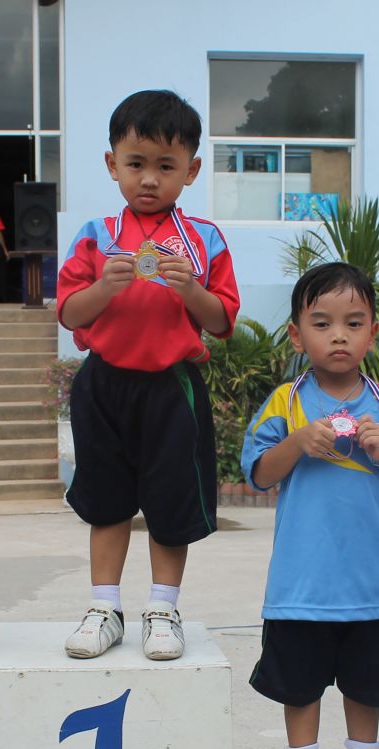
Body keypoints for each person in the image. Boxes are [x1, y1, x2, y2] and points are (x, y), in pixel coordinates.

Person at [240, 262, 379, 749]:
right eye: (322, 323)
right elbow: (257, 473)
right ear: (297, 335)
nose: (339, 336)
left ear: (373, 333)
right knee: (299, 684)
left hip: (373, 583)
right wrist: (297, 442)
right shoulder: (286, 403)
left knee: (367, 682)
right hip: (301, 584)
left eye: (354, 323)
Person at [57, 89, 239, 661]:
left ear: (192, 170)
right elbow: (70, 313)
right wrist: (104, 287)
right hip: (104, 384)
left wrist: (191, 289)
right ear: (112, 164)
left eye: (167, 165)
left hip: (171, 387)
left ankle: (163, 609)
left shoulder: (204, 239)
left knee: (169, 503)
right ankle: (104, 607)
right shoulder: (97, 233)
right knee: (106, 501)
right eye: (136, 163)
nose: (150, 179)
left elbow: (222, 321)